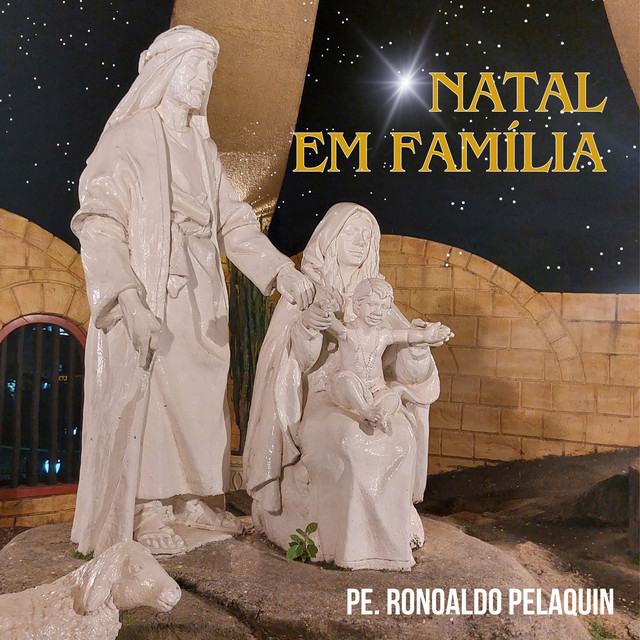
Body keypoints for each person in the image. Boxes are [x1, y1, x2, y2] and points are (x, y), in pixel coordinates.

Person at [70, 26, 313, 556]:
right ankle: (147, 506)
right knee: (155, 392)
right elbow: (99, 221)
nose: (205, 79)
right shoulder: (130, 138)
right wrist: (127, 298)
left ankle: (191, 499)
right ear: (167, 70)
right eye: (196, 66)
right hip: (154, 287)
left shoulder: (203, 149)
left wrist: (280, 273)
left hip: (202, 291)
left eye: (210, 70)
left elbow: (234, 223)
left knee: (201, 397)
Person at [244, 203, 446, 570]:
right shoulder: (304, 295)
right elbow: (293, 363)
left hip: (372, 392)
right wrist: (309, 326)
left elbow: (403, 365)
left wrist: (418, 349)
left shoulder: (378, 299)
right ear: (329, 239)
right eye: (351, 232)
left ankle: (389, 535)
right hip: (321, 399)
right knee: (353, 438)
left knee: (400, 434)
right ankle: (348, 543)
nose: (360, 241)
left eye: (367, 235)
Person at [322, 277, 453, 432]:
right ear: (357, 305)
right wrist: (324, 311)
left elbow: (407, 335)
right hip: (350, 388)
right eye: (371, 304)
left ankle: (380, 415)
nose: (377, 312)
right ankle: (366, 411)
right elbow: (331, 323)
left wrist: (426, 336)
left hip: (376, 388)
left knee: (393, 397)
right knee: (346, 380)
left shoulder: (384, 335)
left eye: (383, 307)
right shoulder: (347, 331)